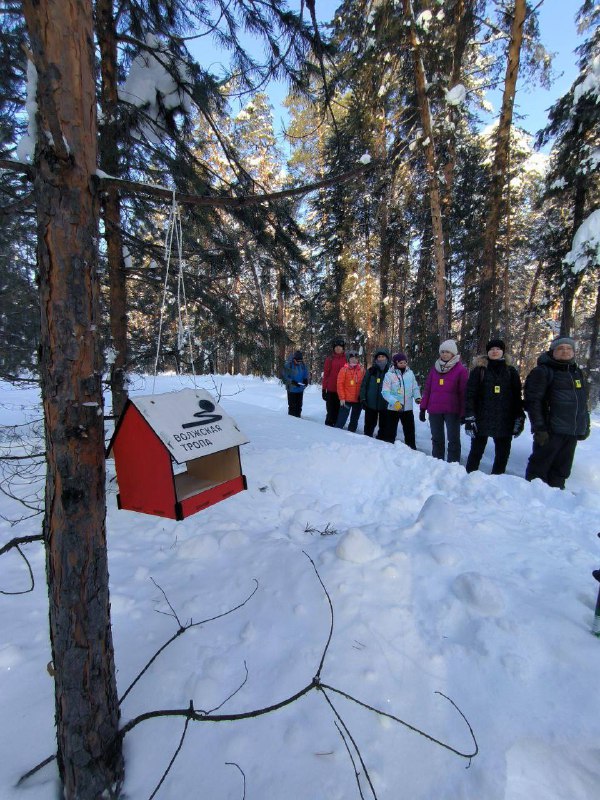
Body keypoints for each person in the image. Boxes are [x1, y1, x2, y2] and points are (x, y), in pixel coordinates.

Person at [524, 336, 590, 489]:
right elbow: (533, 402)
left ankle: (556, 500)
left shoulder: (577, 373)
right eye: (561, 348)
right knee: (539, 467)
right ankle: (532, 501)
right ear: (553, 351)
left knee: (562, 470)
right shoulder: (543, 371)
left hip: (571, 432)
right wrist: (539, 428)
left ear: (573, 352)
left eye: (568, 348)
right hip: (550, 430)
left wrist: (584, 425)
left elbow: (582, 402)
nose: (565, 351)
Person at [464, 339, 525, 475]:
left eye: (498, 349)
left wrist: (519, 417)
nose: (495, 351)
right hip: (481, 418)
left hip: (505, 419)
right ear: (488, 352)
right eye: (492, 349)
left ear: (503, 351)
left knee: (502, 455)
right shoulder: (479, 371)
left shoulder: (511, 372)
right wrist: (469, 416)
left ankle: (498, 482)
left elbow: (516, 398)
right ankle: (469, 479)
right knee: (476, 452)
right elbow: (470, 395)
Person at [420, 339, 468, 462]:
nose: (444, 354)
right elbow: (428, 389)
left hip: (452, 411)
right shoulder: (434, 368)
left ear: (453, 354)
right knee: (436, 439)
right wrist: (423, 407)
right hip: (435, 410)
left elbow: (464, 393)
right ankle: (437, 462)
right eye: (442, 352)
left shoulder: (461, 370)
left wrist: (464, 413)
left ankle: (453, 465)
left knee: (453, 440)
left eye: (447, 352)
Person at [381, 352, 421, 448]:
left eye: (405, 362)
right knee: (390, 431)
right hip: (394, 408)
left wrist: (417, 397)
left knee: (410, 431)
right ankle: (389, 448)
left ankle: (412, 449)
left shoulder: (410, 374)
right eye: (400, 362)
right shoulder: (389, 375)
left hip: (407, 408)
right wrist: (395, 402)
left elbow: (415, 387)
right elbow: (385, 392)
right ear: (395, 363)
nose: (403, 364)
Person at [360, 348, 393, 440]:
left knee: (384, 427)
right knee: (369, 426)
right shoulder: (371, 371)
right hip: (371, 404)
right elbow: (364, 385)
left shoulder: (391, 372)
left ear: (387, 358)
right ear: (376, 358)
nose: (381, 358)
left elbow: (395, 387)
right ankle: (367, 441)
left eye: (383, 356)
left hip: (385, 404)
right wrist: (363, 398)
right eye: (379, 357)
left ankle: (381, 442)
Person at [335, 350, 366, 432]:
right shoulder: (344, 369)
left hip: (357, 400)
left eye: (356, 358)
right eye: (352, 358)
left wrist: (363, 397)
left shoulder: (362, 370)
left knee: (354, 420)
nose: (354, 360)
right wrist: (342, 398)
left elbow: (364, 384)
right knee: (342, 418)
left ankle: (351, 435)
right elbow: (339, 384)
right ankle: (336, 434)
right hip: (346, 400)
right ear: (348, 359)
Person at [322, 338, 347, 426]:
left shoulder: (347, 359)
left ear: (343, 348)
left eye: (340, 347)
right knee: (330, 411)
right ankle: (328, 427)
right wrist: (323, 389)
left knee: (338, 411)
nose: (338, 348)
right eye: (336, 347)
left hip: (342, 391)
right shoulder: (330, 359)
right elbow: (326, 375)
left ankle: (336, 430)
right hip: (331, 389)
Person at [282, 350, 309, 417]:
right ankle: (292, 421)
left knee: (299, 406)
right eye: (298, 361)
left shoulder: (303, 365)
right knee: (292, 406)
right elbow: (284, 377)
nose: (299, 362)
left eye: (300, 361)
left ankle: (298, 418)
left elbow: (305, 374)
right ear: (294, 359)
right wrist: (292, 382)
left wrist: (306, 380)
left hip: (300, 389)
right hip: (291, 389)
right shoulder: (288, 365)